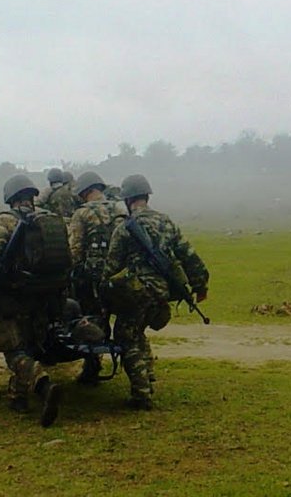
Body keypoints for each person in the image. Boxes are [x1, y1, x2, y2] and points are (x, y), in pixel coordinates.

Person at [103, 174, 209, 410]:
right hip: (161, 292)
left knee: (125, 336)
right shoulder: (166, 222)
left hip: (136, 293)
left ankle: (141, 394)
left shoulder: (124, 228)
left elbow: (111, 266)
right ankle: (148, 375)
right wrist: (200, 286)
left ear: (128, 199)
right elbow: (189, 256)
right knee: (138, 332)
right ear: (147, 196)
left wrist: (102, 286)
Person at [0, 174, 68, 427]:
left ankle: (44, 385)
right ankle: (18, 398)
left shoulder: (6, 220)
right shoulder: (49, 219)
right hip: (45, 297)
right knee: (31, 345)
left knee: (14, 352)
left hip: (12, 298)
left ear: (11, 197)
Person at [66, 171, 126, 383]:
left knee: (91, 320)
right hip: (119, 277)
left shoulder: (82, 213)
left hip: (90, 280)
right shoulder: (120, 209)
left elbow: (74, 250)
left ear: (85, 192)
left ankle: (92, 367)